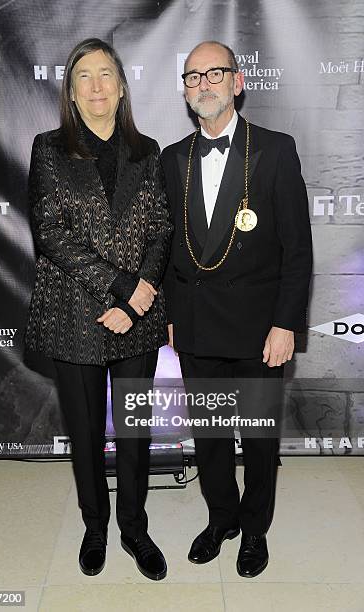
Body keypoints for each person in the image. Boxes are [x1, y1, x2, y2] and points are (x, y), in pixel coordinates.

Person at [161, 41, 312, 578]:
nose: (203, 84)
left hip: (259, 330)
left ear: (238, 81)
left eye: (214, 73)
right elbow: (171, 251)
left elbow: (297, 248)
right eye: (193, 77)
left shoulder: (274, 149)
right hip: (198, 326)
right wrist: (173, 318)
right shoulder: (172, 157)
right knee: (210, 435)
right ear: (184, 89)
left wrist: (287, 323)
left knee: (259, 435)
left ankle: (255, 529)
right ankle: (221, 517)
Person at [25, 38, 172, 581]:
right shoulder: (48, 148)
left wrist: (136, 302)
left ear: (121, 85)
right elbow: (50, 235)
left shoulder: (148, 151)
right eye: (83, 76)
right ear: (70, 89)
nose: (95, 87)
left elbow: (161, 230)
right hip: (75, 315)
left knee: (134, 430)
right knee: (86, 434)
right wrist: (119, 288)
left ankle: (134, 527)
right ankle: (95, 525)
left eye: (105, 74)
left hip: (137, 317)